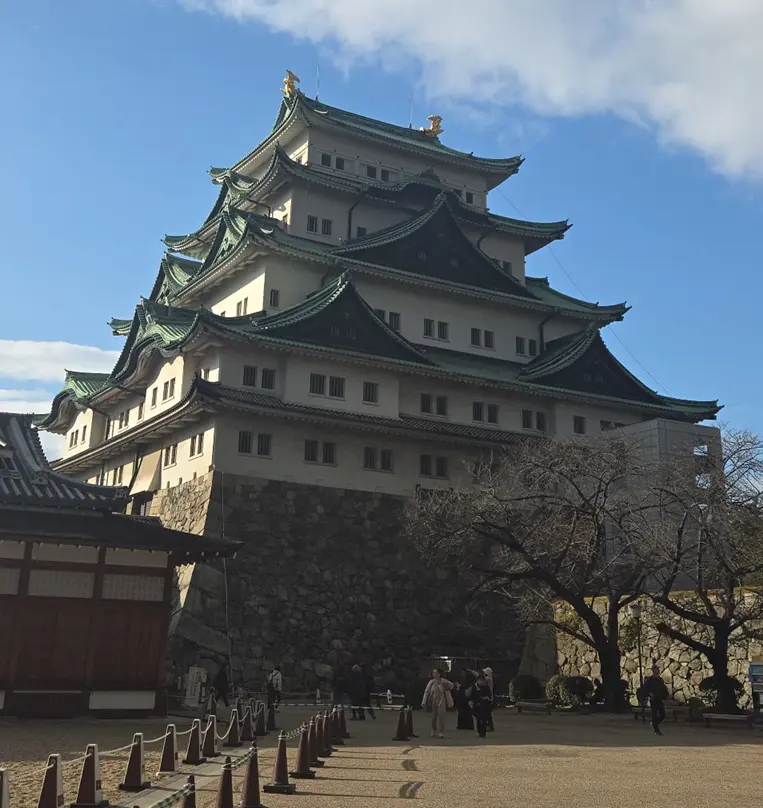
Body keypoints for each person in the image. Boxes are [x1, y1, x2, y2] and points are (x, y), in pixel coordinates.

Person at [421, 668, 454, 738]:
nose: (434, 674)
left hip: (442, 701)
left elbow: (452, 686)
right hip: (433, 701)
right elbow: (427, 691)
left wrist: (446, 686)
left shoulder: (444, 681)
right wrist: (424, 701)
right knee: (433, 717)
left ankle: (441, 731)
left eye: (435, 673)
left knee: (442, 716)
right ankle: (433, 730)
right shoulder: (432, 682)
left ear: (439, 674)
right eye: (433, 673)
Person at [643, 664, 669, 735]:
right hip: (653, 699)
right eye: (656, 669)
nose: (658, 671)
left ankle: (654, 723)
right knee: (654, 714)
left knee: (662, 714)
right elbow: (645, 688)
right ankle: (656, 730)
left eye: (658, 669)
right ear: (653, 671)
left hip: (659, 699)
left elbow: (663, 688)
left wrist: (666, 695)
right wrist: (649, 694)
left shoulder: (660, 679)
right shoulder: (650, 680)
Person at [470, 671, 493, 738]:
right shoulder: (474, 687)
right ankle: (479, 731)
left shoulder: (486, 687)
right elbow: (472, 696)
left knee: (484, 719)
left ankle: (483, 733)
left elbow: (489, 694)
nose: (482, 682)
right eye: (481, 681)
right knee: (478, 719)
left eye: (483, 681)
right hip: (477, 706)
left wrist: (487, 698)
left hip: (485, 706)